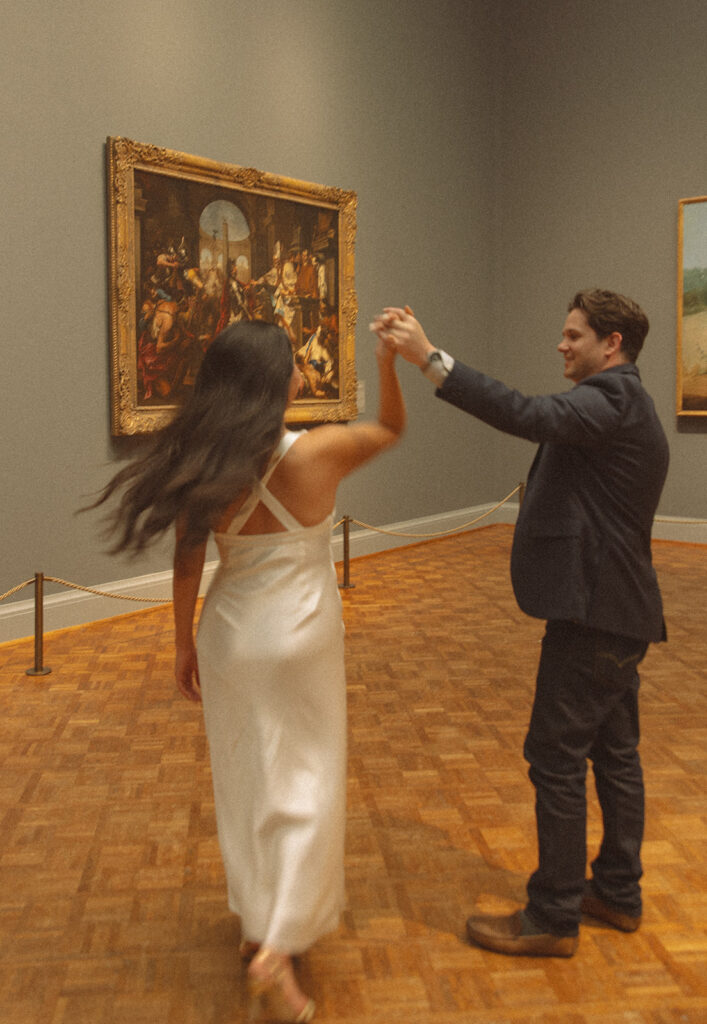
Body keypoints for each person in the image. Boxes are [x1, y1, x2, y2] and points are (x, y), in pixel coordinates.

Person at [92, 319, 405, 1020]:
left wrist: (181, 645)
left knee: (246, 781)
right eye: (294, 364)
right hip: (301, 637)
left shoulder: (204, 463)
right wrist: (387, 363)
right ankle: (276, 948)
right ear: (275, 381)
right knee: (307, 785)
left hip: (229, 637)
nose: (301, 371)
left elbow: (184, 562)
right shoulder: (318, 453)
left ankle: (258, 920)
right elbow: (390, 426)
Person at [370, 290, 669, 958]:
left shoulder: (610, 398)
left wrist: (427, 359)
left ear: (610, 343)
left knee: (555, 760)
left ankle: (552, 916)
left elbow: (526, 414)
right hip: (617, 613)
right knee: (614, 756)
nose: (560, 345)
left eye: (572, 335)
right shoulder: (624, 401)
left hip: (592, 616)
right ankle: (616, 893)